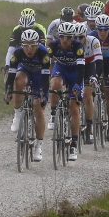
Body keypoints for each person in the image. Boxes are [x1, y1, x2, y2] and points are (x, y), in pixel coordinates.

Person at [7, 29, 50, 162]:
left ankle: (38, 146)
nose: (29, 49)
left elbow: (45, 78)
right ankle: (18, 114)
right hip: (25, 72)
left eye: (32, 45)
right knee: (19, 81)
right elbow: (11, 75)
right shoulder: (18, 52)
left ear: (37, 45)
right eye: (26, 45)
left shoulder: (44, 54)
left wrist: (42, 94)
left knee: (38, 109)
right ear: (22, 45)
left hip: (39, 79)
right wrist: (8, 91)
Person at [47, 21, 85, 161]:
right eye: (62, 37)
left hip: (75, 73)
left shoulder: (78, 47)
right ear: (58, 36)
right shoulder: (53, 45)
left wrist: (76, 85)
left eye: (68, 37)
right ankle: (53, 112)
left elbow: (81, 69)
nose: (65, 40)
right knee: (55, 83)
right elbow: (45, 62)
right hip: (61, 69)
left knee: (74, 108)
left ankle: (74, 143)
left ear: (73, 37)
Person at [90, 14, 109, 141]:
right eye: (100, 29)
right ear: (96, 29)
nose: (102, 32)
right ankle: (89, 124)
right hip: (96, 61)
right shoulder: (92, 36)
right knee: (89, 91)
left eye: (105, 29)